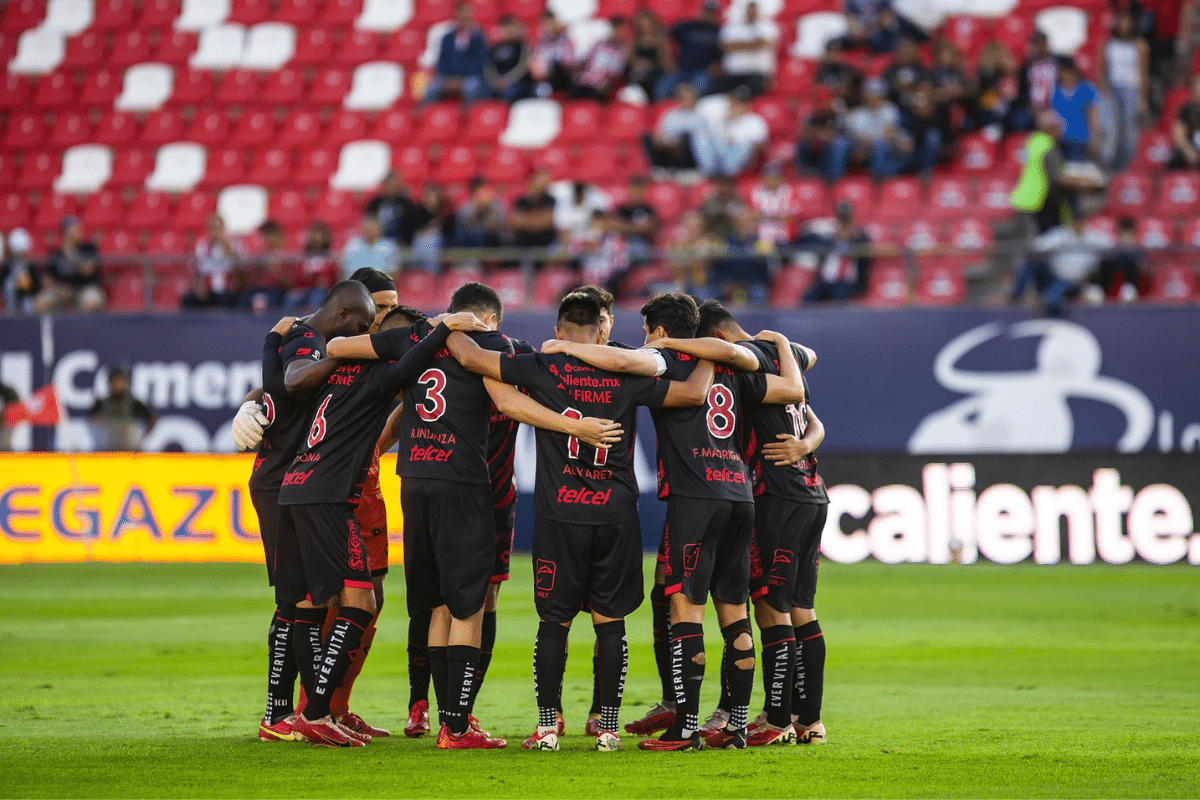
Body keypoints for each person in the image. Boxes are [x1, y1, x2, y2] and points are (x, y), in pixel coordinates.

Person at [326, 282, 623, 749]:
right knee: (470, 605)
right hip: (466, 486)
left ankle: (442, 719)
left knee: (438, 603)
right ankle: (458, 727)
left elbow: (337, 346)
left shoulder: (415, 336)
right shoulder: (494, 345)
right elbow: (506, 402)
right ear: (490, 320)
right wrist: (575, 426)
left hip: (414, 482)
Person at [446, 292, 714, 752]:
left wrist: (447, 324)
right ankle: (607, 727)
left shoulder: (540, 366)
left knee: (554, 622)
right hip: (616, 515)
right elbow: (693, 393)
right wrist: (714, 350)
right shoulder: (627, 368)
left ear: (557, 330)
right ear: (604, 330)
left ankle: (548, 726)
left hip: (558, 514)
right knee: (611, 623)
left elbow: (471, 359)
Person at [278, 295, 489, 748]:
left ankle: (311, 712)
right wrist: (440, 328)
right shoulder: (376, 374)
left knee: (311, 605)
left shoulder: (336, 369)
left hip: (297, 486)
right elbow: (408, 365)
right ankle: (315, 711)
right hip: (326, 496)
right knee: (360, 603)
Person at [237, 283, 378, 743]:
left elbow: (278, 383)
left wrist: (260, 369)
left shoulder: (290, 335)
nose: (365, 335)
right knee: (296, 603)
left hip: (288, 478)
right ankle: (282, 714)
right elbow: (295, 379)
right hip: (283, 480)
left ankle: (298, 714)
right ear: (341, 315)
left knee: (308, 603)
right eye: (361, 327)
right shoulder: (310, 342)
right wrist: (345, 352)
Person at [692, 300, 828, 747]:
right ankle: (807, 719)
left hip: (778, 497)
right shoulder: (777, 355)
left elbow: (794, 397)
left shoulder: (748, 369)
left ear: (718, 339)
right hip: (811, 494)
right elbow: (814, 418)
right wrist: (806, 444)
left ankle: (776, 720)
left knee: (771, 608)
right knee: (801, 607)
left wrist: (798, 447)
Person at [1011, 211, 1112, 316]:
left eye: (1080, 222)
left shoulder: (1093, 237)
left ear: (1084, 223)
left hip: (1075, 282)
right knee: (1032, 262)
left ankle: (1052, 312)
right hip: (1052, 276)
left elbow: (1111, 245)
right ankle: (1016, 295)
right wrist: (1056, 245)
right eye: (1075, 222)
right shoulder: (1061, 235)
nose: (1077, 225)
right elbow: (1036, 246)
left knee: (1049, 300)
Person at [1102, 10, 1150, 171]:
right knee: (1113, 126)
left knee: (1129, 127)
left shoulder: (1140, 45)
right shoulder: (1109, 43)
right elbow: (1103, 69)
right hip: (1113, 87)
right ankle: (1109, 161)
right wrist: (1104, 91)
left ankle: (1130, 163)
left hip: (1132, 88)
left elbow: (1144, 73)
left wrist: (1143, 99)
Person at [801, 201, 873, 302]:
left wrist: (852, 236)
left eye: (846, 216)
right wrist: (833, 237)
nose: (844, 219)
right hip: (827, 278)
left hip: (846, 280)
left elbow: (866, 247)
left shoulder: (859, 233)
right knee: (807, 300)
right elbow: (806, 237)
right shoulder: (829, 229)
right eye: (842, 216)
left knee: (837, 302)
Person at [643, 82, 716, 174]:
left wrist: (675, 143)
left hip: (688, 155)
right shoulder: (670, 115)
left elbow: (704, 142)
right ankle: (660, 169)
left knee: (685, 137)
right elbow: (659, 133)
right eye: (683, 98)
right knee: (646, 137)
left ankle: (685, 171)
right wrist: (663, 141)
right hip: (667, 147)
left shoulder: (701, 117)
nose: (686, 101)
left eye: (689, 98)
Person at [424, 3, 489, 105]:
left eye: (465, 17)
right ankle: (426, 116)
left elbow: (479, 63)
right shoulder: (447, 37)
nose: (463, 20)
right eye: (460, 17)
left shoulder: (478, 38)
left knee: (471, 87)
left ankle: (469, 117)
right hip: (447, 78)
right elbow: (442, 61)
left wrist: (460, 79)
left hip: (469, 77)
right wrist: (448, 79)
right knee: (432, 87)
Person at [35, 216, 104, 314]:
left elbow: (88, 270)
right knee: (40, 303)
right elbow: (46, 280)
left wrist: (71, 257)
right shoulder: (56, 254)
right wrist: (59, 290)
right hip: (61, 290)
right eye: (76, 230)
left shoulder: (88, 249)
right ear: (66, 233)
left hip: (85, 288)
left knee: (89, 303)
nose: (80, 232)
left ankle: (82, 329)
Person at [656, 1, 723, 100]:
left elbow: (724, 53)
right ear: (701, 11)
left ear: (716, 15)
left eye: (711, 12)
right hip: (679, 70)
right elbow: (664, 38)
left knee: (699, 90)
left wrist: (717, 65)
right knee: (661, 90)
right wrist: (666, 60)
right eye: (707, 11)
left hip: (702, 72)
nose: (708, 14)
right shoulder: (687, 26)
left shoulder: (719, 31)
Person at [844, 77, 906, 178]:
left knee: (884, 144)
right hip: (863, 147)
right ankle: (834, 180)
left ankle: (879, 179)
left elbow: (889, 133)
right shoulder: (857, 113)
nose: (873, 97)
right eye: (870, 94)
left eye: (877, 93)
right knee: (841, 144)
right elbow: (859, 138)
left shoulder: (890, 109)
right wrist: (872, 139)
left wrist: (872, 139)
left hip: (889, 146)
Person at [88, 364, 157, 451]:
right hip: (107, 450)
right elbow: (91, 417)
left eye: (122, 380)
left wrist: (141, 438)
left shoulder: (134, 402)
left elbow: (152, 418)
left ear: (127, 382)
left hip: (130, 450)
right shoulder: (102, 403)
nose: (118, 384)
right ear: (110, 382)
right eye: (115, 381)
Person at [713, 207, 772, 305]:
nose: (743, 224)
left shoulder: (760, 243)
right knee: (710, 294)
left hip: (751, 285)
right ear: (735, 223)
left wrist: (746, 285)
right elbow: (717, 269)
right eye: (740, 221)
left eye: (747, 221)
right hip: (728, 284)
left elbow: (765, 273)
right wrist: (726, 284)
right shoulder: (723, 243)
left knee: (759, 293)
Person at [707, 87, 770, 177]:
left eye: (739, 103)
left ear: (746, 105)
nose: (735, 106)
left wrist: (738, 141)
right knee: (703, 135)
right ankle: (710, 171)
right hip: (720, 155)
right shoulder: (722, 118)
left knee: (746, 145)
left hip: (743, 161)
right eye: (733, 102)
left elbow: (761, 146)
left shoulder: (754, 120)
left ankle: (726, 174)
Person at [183, 214, 242, 308]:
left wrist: (226, 247)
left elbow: (239, 269)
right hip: (206, 290)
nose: (215, 232)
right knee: (187, 300)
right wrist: (198, 289)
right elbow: (195, 271)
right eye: (212, 228)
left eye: (218, 228)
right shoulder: (201, 245)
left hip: (227, 290)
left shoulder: (233, 244)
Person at [719, 1, 778, 96]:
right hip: (734, 72)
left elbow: (762, 44)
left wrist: (737, 45)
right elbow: (725, 45)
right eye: (749, 10)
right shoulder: (732, 26)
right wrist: (752, 44)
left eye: (753, 10)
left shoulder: (767, 26)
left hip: (757, 72)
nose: (751, 12)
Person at [1051, 59, 1100, 161]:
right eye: (1062, 72)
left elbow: (1093, 115)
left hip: (1079, 140)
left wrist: (1095, 138)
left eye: (1067, 72)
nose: (1065, 75)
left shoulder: (1086, 89)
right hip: (1060, 141)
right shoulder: (1056, 91)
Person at [1086, 216, 1142, 303]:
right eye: (1123, 229)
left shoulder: (1139, 242)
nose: (1126, 233)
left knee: (1129, 260)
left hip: (1133, 269)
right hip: (1113, 265)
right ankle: (1099, 290)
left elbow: (1143, 262)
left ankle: (1129, 290)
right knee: (1106, 262)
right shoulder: (1113, 240)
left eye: (1128, 230)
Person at [1013, 31, 1061, 132]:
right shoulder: (1028, 65)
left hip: (1055, 107)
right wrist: (1031, 108)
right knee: (1019, 121)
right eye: (1037, 44)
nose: (1040, 47)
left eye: (1042, 43)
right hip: (1033, 109)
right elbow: (1023, 89)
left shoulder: (1058, 62)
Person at [572, 17, 629, 100]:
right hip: (586, 80)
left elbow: (616, 71)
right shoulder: (599, 44)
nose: (616, 32)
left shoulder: (623, 49)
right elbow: (587, 59)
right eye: (614, 29)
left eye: (619, 30)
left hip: (603, 84)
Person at [286, 221, 338, 311]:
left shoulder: (330, 257)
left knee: (317, 297)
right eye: (313, 234)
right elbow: (296, 276)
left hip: (321, 291)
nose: (315, 237)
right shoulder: (303, 256)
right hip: (303, 289)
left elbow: (331, 279)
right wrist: (307, 278)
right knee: (290, 299)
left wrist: (321, 281)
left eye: (318, 234)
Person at [239, 219, 289, 312]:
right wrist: (258, 268)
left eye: (270, 234)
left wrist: (275, 271)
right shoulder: (257, 256)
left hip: (275, 291)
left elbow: (289, 284)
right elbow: (245, 283)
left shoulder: (285, 257)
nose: (267, 238)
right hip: (255, 290)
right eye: (265, 234)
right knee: (242, 302)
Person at [510, 170, 558, 263]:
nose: (545, 182)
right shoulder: (521, 201)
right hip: (524, 245)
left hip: (546, 244)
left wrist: (527, 220)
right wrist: (538, 220)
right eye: (542, 179)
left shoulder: (551, 200)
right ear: (533, 181)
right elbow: (516, 222)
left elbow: (548, 222)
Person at [796, 103, 851, 182]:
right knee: (802, 143)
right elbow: (805, 133)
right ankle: (803, 174)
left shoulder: (835, 115)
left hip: (830, 148)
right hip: (815, 148)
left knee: (839, 145)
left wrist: (824, 136)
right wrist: (816, 135)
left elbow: (840, 133)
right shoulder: (811, 116)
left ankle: (834, 180)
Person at [408, 184, 456, 274]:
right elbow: (414, 232)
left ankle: (431, 273)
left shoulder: (446, 213)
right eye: (429, 197)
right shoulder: (417, 213)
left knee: (433, 239)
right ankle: (417, 269)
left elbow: (450, 233)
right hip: (420, 244)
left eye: (434, 197)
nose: (431, 200)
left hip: (441, 245)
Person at [626, 9, 671, 101]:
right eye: (641, 24)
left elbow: (665, 62)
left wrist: (650, 64)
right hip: (637, 70)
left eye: (646, 23)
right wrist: (639, 62)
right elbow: (628, 58)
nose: (644, 26)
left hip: (655, 72)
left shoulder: (660, 39)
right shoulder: (635, 39)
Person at [529, 10, 576, 97]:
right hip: (543, 77)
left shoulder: (566, 38)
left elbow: (569, 62)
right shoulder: (542, 42)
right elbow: (535, 60)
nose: (548, 27)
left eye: (550, 23)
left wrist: (549, 67)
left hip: (562, 76)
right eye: (545, 24)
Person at [486, 15, 531, 103]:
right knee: (484, 92)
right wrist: (494, 80)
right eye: (506, 28)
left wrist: (506, 81)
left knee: (509, 93)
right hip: (496, 80)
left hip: (515, 81)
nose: (509, 31)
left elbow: (522, 67)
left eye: (511, 27)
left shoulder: (522, 46)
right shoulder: (496, 47)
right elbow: (488, 66)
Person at [365, 172, 418, 245]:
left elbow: (411, 227)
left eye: (394, 185)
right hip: (378, 243)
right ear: (384, 186)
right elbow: (369, 224)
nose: (392, 188)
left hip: (401, 244)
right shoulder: (374, 204)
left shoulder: (406, 204)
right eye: (389, 185)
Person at [455, 177, 507, 249]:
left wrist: (487, 210)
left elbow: (494, 229)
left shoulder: (496, 204)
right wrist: (477, 208)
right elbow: (467, 228)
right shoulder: (466, 205)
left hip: (493, 243)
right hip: (470, 243)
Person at [614, 175, 659, 255]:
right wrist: (638, 228)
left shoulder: (648, 209)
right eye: (634, 190)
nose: (637, 194)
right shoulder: (622, 210)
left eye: (640, 190)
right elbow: (617, 227)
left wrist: (626, 226)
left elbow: (649, 227)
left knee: (637, 244)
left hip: (643, 246)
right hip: (623, 244)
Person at [1, 228, 38, 314]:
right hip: (11, 296)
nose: (20, 255)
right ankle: (11, 313)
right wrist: (15, 280)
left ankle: (28, 323)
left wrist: (28, 282)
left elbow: (36, 283)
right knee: (9, 284)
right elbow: (3, 282)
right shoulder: (8, 264)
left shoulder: (30, 265)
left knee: (28, 305)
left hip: (27, 296)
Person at [1168, 73, 1200, 169]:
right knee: (1175, 158)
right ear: (1192, 91)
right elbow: (1178, 135)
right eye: (1197, 89)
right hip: (1191, 149)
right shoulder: (1186, 110)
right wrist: (1188, 150)